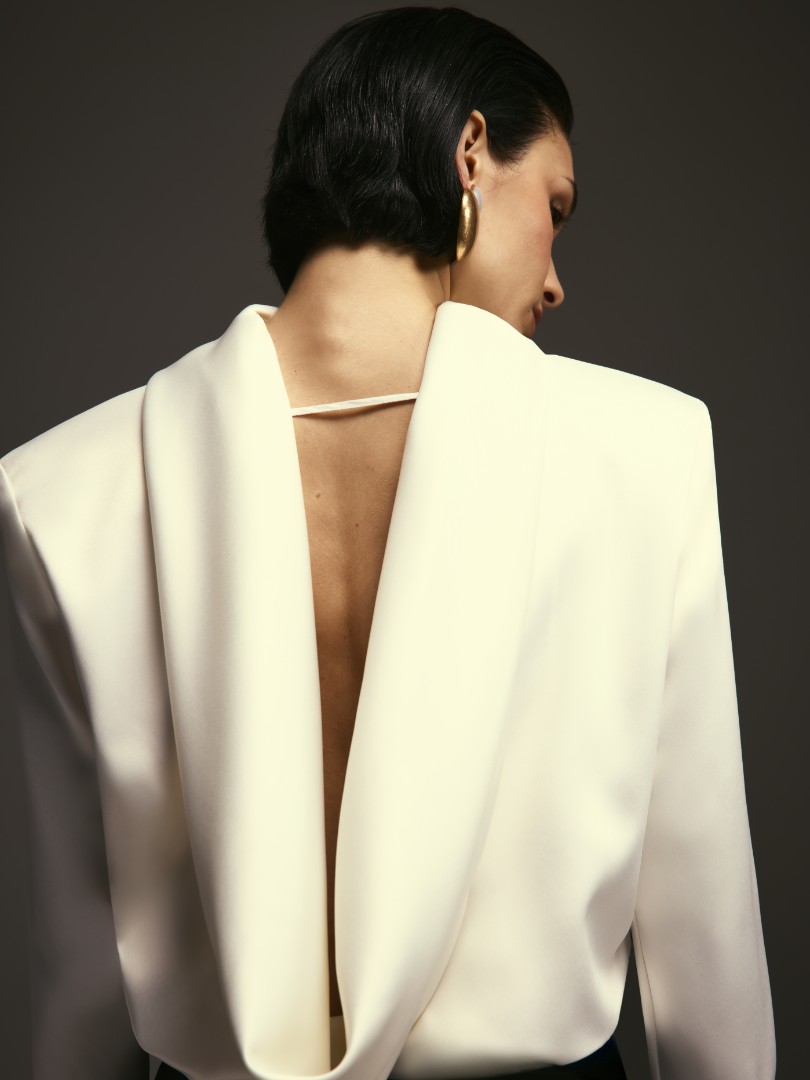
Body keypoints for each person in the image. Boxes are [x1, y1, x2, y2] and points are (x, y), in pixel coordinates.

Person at [0, 6, 775, 1080]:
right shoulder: (649, 450)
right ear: (470, 155)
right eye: (554, 208)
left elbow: (81, 987)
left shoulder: (57, 491)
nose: (556, 280)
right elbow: (707, 963)